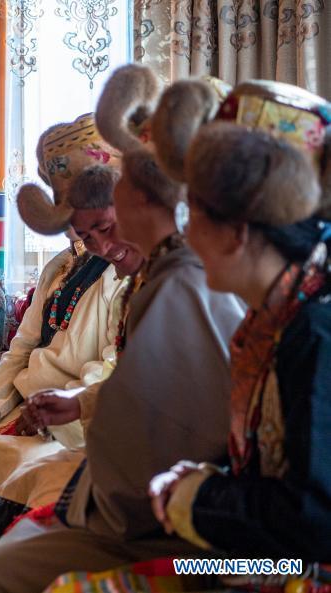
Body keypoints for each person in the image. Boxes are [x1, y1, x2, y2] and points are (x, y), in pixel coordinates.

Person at [0, 64, 246, 593]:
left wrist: (94, 472)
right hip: (152, 503)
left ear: (138, 202)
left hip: (203, 538)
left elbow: (179, 425)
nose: (98, 238)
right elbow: (144, 390)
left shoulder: (180, 280)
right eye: (84, 230)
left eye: (109, 214)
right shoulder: (153, 275)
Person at [0, 116, 146, 565]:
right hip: (30, 407)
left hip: (71, 425)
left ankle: (0, 563)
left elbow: (113, 364)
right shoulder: (58, 269)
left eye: (95, 222)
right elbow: (23, 348)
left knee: (20, 468)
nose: (90, 237)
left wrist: (58, 408)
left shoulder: (126, 271)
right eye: (78, 223)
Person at [147, 80, 331, 560]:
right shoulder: (273, 319)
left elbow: (314, 520)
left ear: (237, 232)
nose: (186, 231)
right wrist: (202, 483)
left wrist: (197, 499)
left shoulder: (315, 330)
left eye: (196, 212)